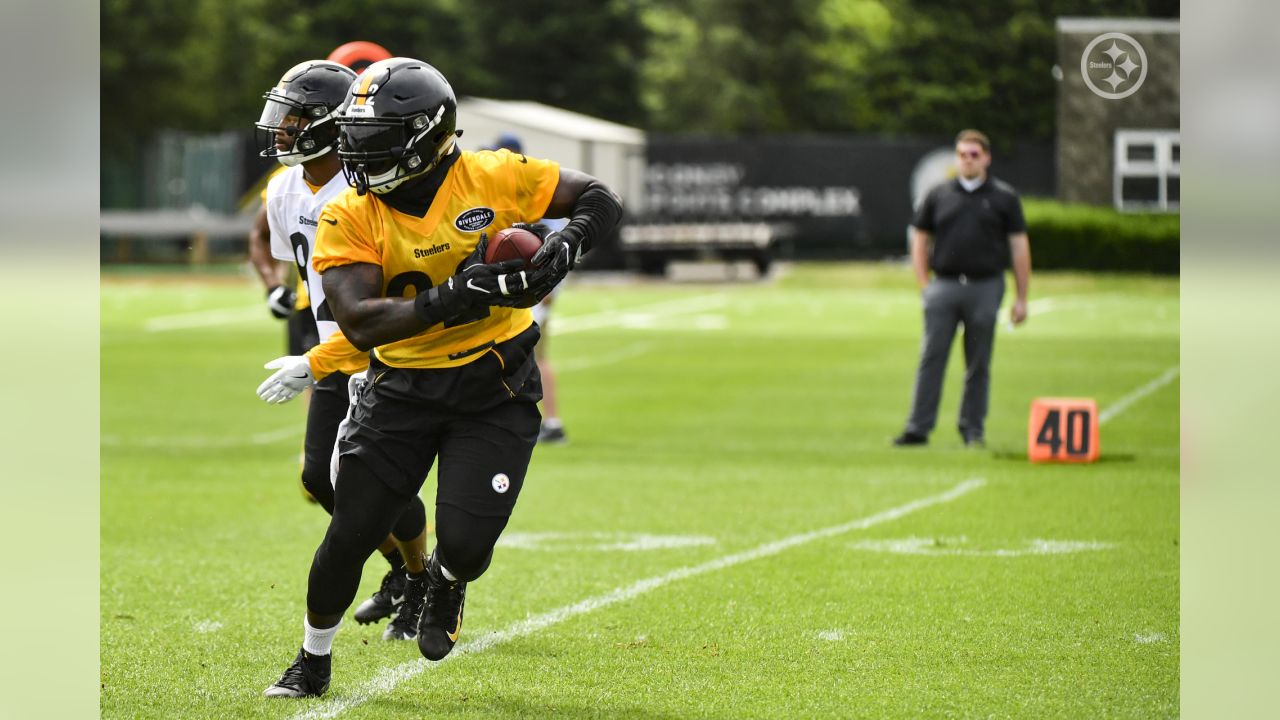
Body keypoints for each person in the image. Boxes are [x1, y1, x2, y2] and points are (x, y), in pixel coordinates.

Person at [263, 57, 622, 698]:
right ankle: (312, 659)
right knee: (350, 531)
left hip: (495, 384)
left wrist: (565, 247)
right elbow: (360, 321)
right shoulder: (349, 210)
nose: (357, 153)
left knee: (469, 542)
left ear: (427, 138)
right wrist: (456, 295)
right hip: (400, 387)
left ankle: (446, 581)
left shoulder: (489, 175)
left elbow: (599, 197)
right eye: (354, 136)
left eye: (375, 139)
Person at [249, 59, 431, 646]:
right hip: (329, 347)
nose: (280, 129)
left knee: (365, 484)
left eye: (295, 118)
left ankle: (420, 579)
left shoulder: (363, 189)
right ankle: (410, 574)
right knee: (320, 480)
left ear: (330, 125)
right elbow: (300, 269)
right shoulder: (283, 188)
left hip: (378, 351)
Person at [892, 129, 1031, 448]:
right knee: (931, 357)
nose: (968, 160)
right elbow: (920, 238)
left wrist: (1022, 297)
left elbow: (1019, 247)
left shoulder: (1003, 197)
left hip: (985, 285)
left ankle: (972, 429)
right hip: (945, 285)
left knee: (978, 361)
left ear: (986, 158)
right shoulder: (938, 194)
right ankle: (918, 428)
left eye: (974, 155)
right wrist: (924, 284)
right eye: (962, 154)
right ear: (956, 158)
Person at [485, 133, 569, 444]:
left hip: (531, 292)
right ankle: (545, 422)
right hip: (526, 291)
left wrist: (546, 291)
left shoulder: (528, 192)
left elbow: (553, 247)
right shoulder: (526, 189)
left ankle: (548, 421)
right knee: (529, 357)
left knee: (527, 357)